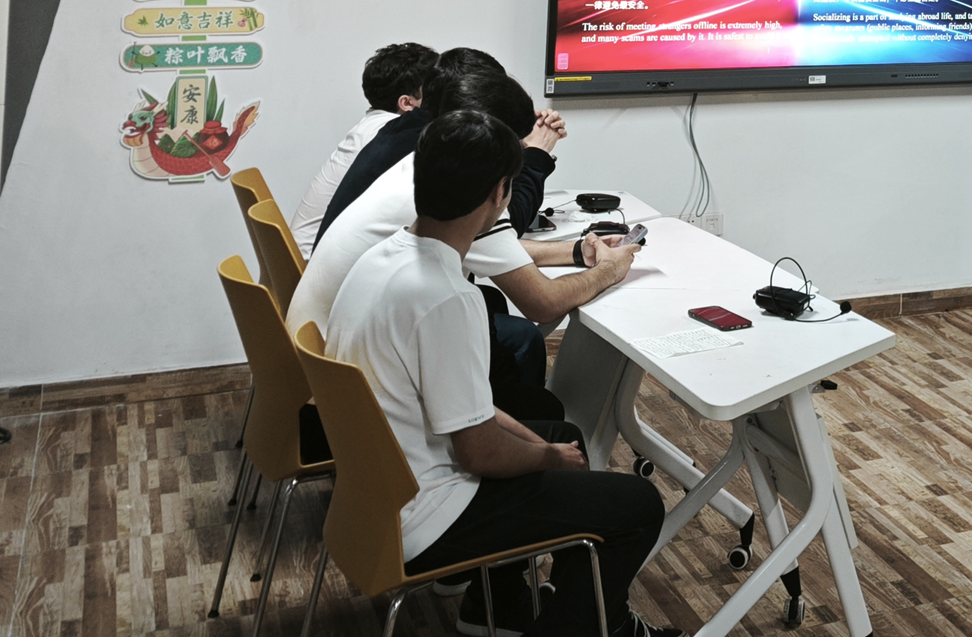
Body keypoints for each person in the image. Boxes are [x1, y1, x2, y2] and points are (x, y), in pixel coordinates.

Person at [325, 110, 680, 637]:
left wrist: (545, 446)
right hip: (427, 517)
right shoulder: (447, 297)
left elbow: (463, 406)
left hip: (373, 496)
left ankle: (503, 605)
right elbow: (479, 454)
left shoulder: (382, 257)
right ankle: (578, 625)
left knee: (561, 432)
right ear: (499, 195)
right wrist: (546, 458)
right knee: (638, 505)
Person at [287, 73, 637, 419]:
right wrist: (610, 270)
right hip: (352, 398)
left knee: (498, 312)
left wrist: (575, 251)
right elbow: (543, 304)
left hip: (326, 365)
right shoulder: (468, 201)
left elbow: (489, 245)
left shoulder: (425, 163)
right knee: (540, 395)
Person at [319, 49, 567, 245]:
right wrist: (536, 153)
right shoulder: (439, 161)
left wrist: (517, 136)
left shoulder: (406, 133)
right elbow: (504, 229)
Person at [291, 42, 437, 253]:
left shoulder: (372, 126)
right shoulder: (390, 136)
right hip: (313, 258)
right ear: (407, 103)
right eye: (435, 91)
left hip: (303, 255)